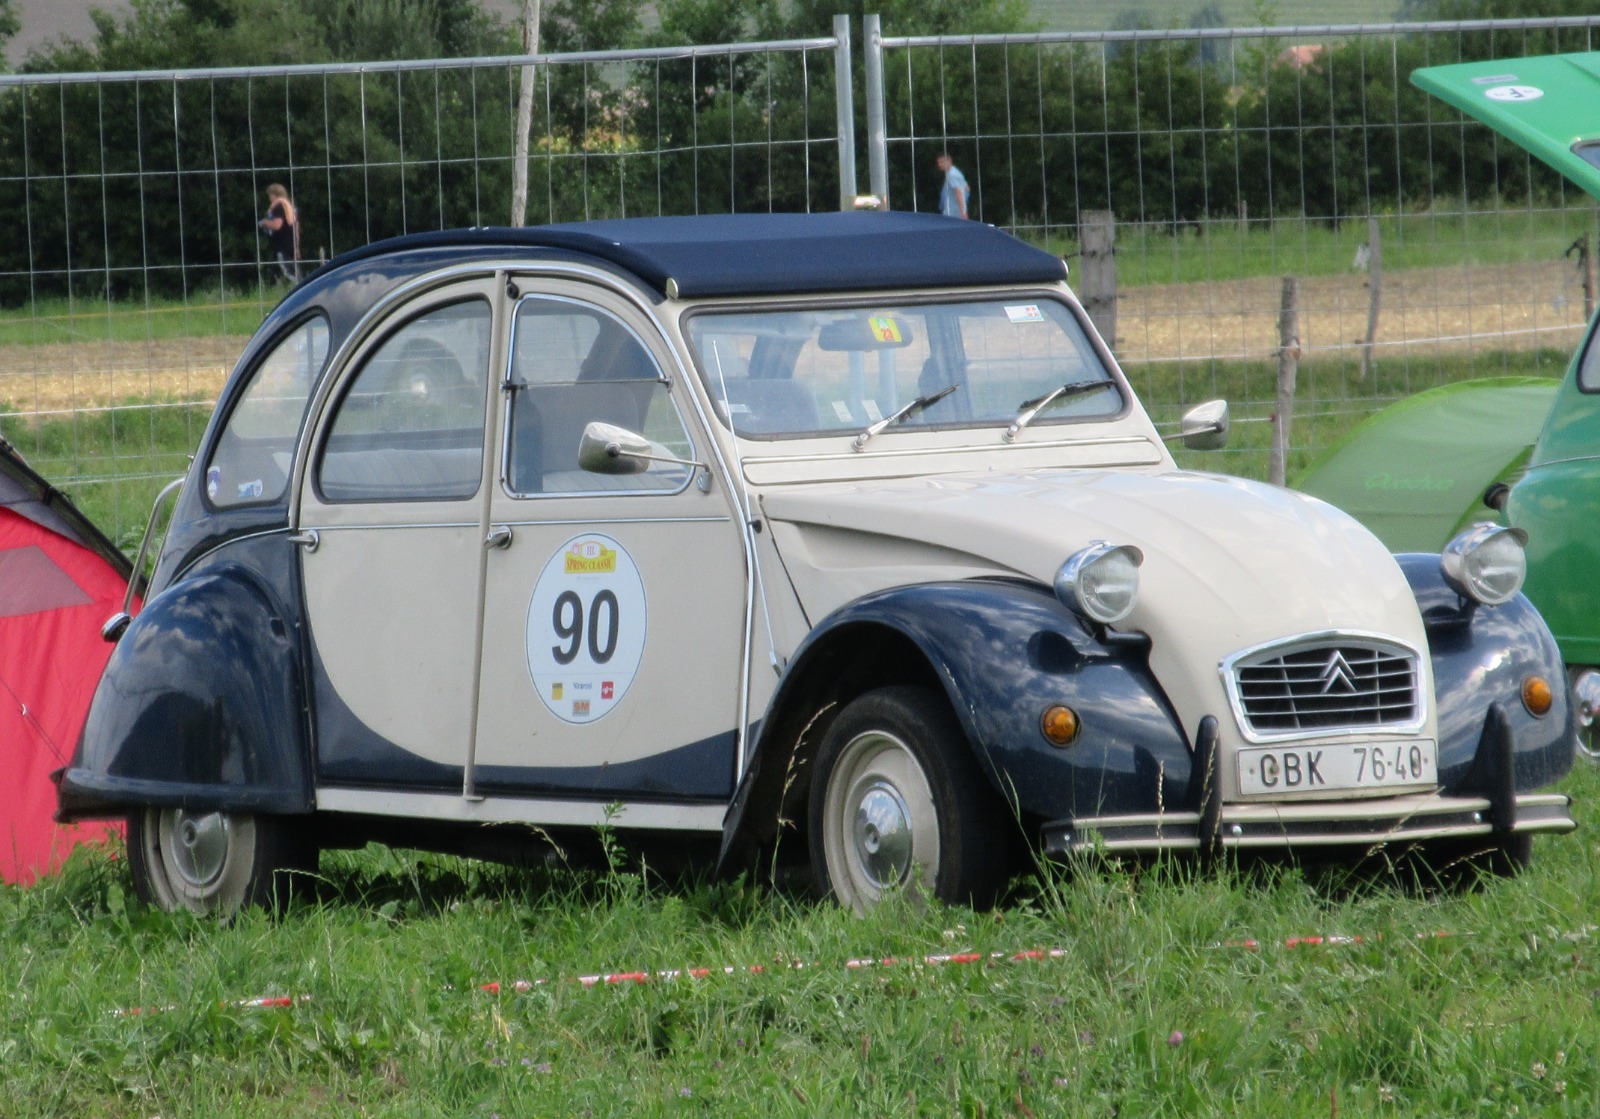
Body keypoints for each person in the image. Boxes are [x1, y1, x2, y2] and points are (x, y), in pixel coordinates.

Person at [258, 183, 300, 284]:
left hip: (283, 243)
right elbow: (296, 226)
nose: (269, 198)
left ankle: (299, 285)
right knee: (289, 268)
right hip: (292, 242)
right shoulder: (288, 205)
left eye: (270, 195)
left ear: (275, 195)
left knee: (287, 270)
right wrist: (297, 245)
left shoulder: (279, 206)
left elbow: (277, 225)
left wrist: (264, 223)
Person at [936, 151, 969, 220]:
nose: (939, 165)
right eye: (938, 162)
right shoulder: (955, 172)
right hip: (953, 211)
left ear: (949, 161)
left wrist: (963, 212)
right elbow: (967, 188)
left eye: (941, 162)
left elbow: (958, 192)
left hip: (953, 213)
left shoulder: (952, 175)